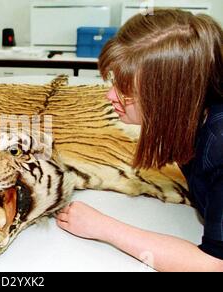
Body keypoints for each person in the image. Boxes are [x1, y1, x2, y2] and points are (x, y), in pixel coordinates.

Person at [57, 9, 223, 271]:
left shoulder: (219, 146)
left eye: (127, 90)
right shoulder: (194, 117)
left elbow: (213, 265)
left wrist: (102, 227)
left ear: (168, 96)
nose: (110, 96)